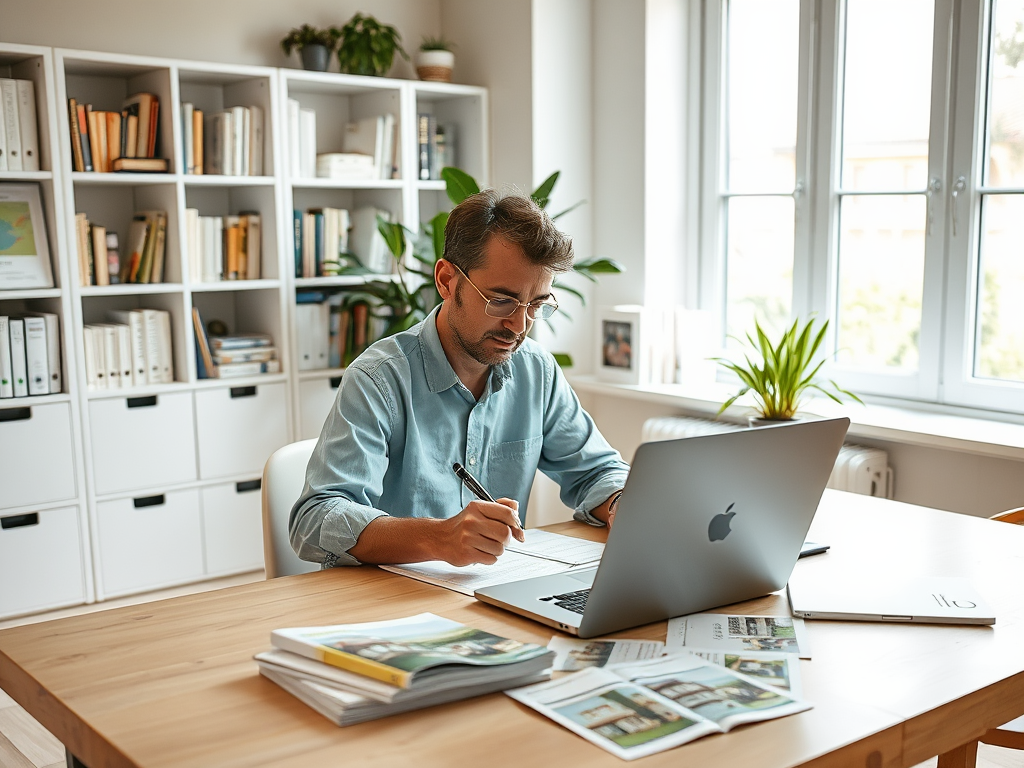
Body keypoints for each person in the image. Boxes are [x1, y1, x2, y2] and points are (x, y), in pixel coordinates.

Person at [290, 188, 629, 569]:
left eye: (536, 304)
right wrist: (439, 537)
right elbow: (315, 520)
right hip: (388, 595)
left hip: (488, 590)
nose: (519, 325)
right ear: (447, 280)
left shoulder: (536, 371)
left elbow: (598, 471)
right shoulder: (378, 380)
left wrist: (620, 503)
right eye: (501, 301)